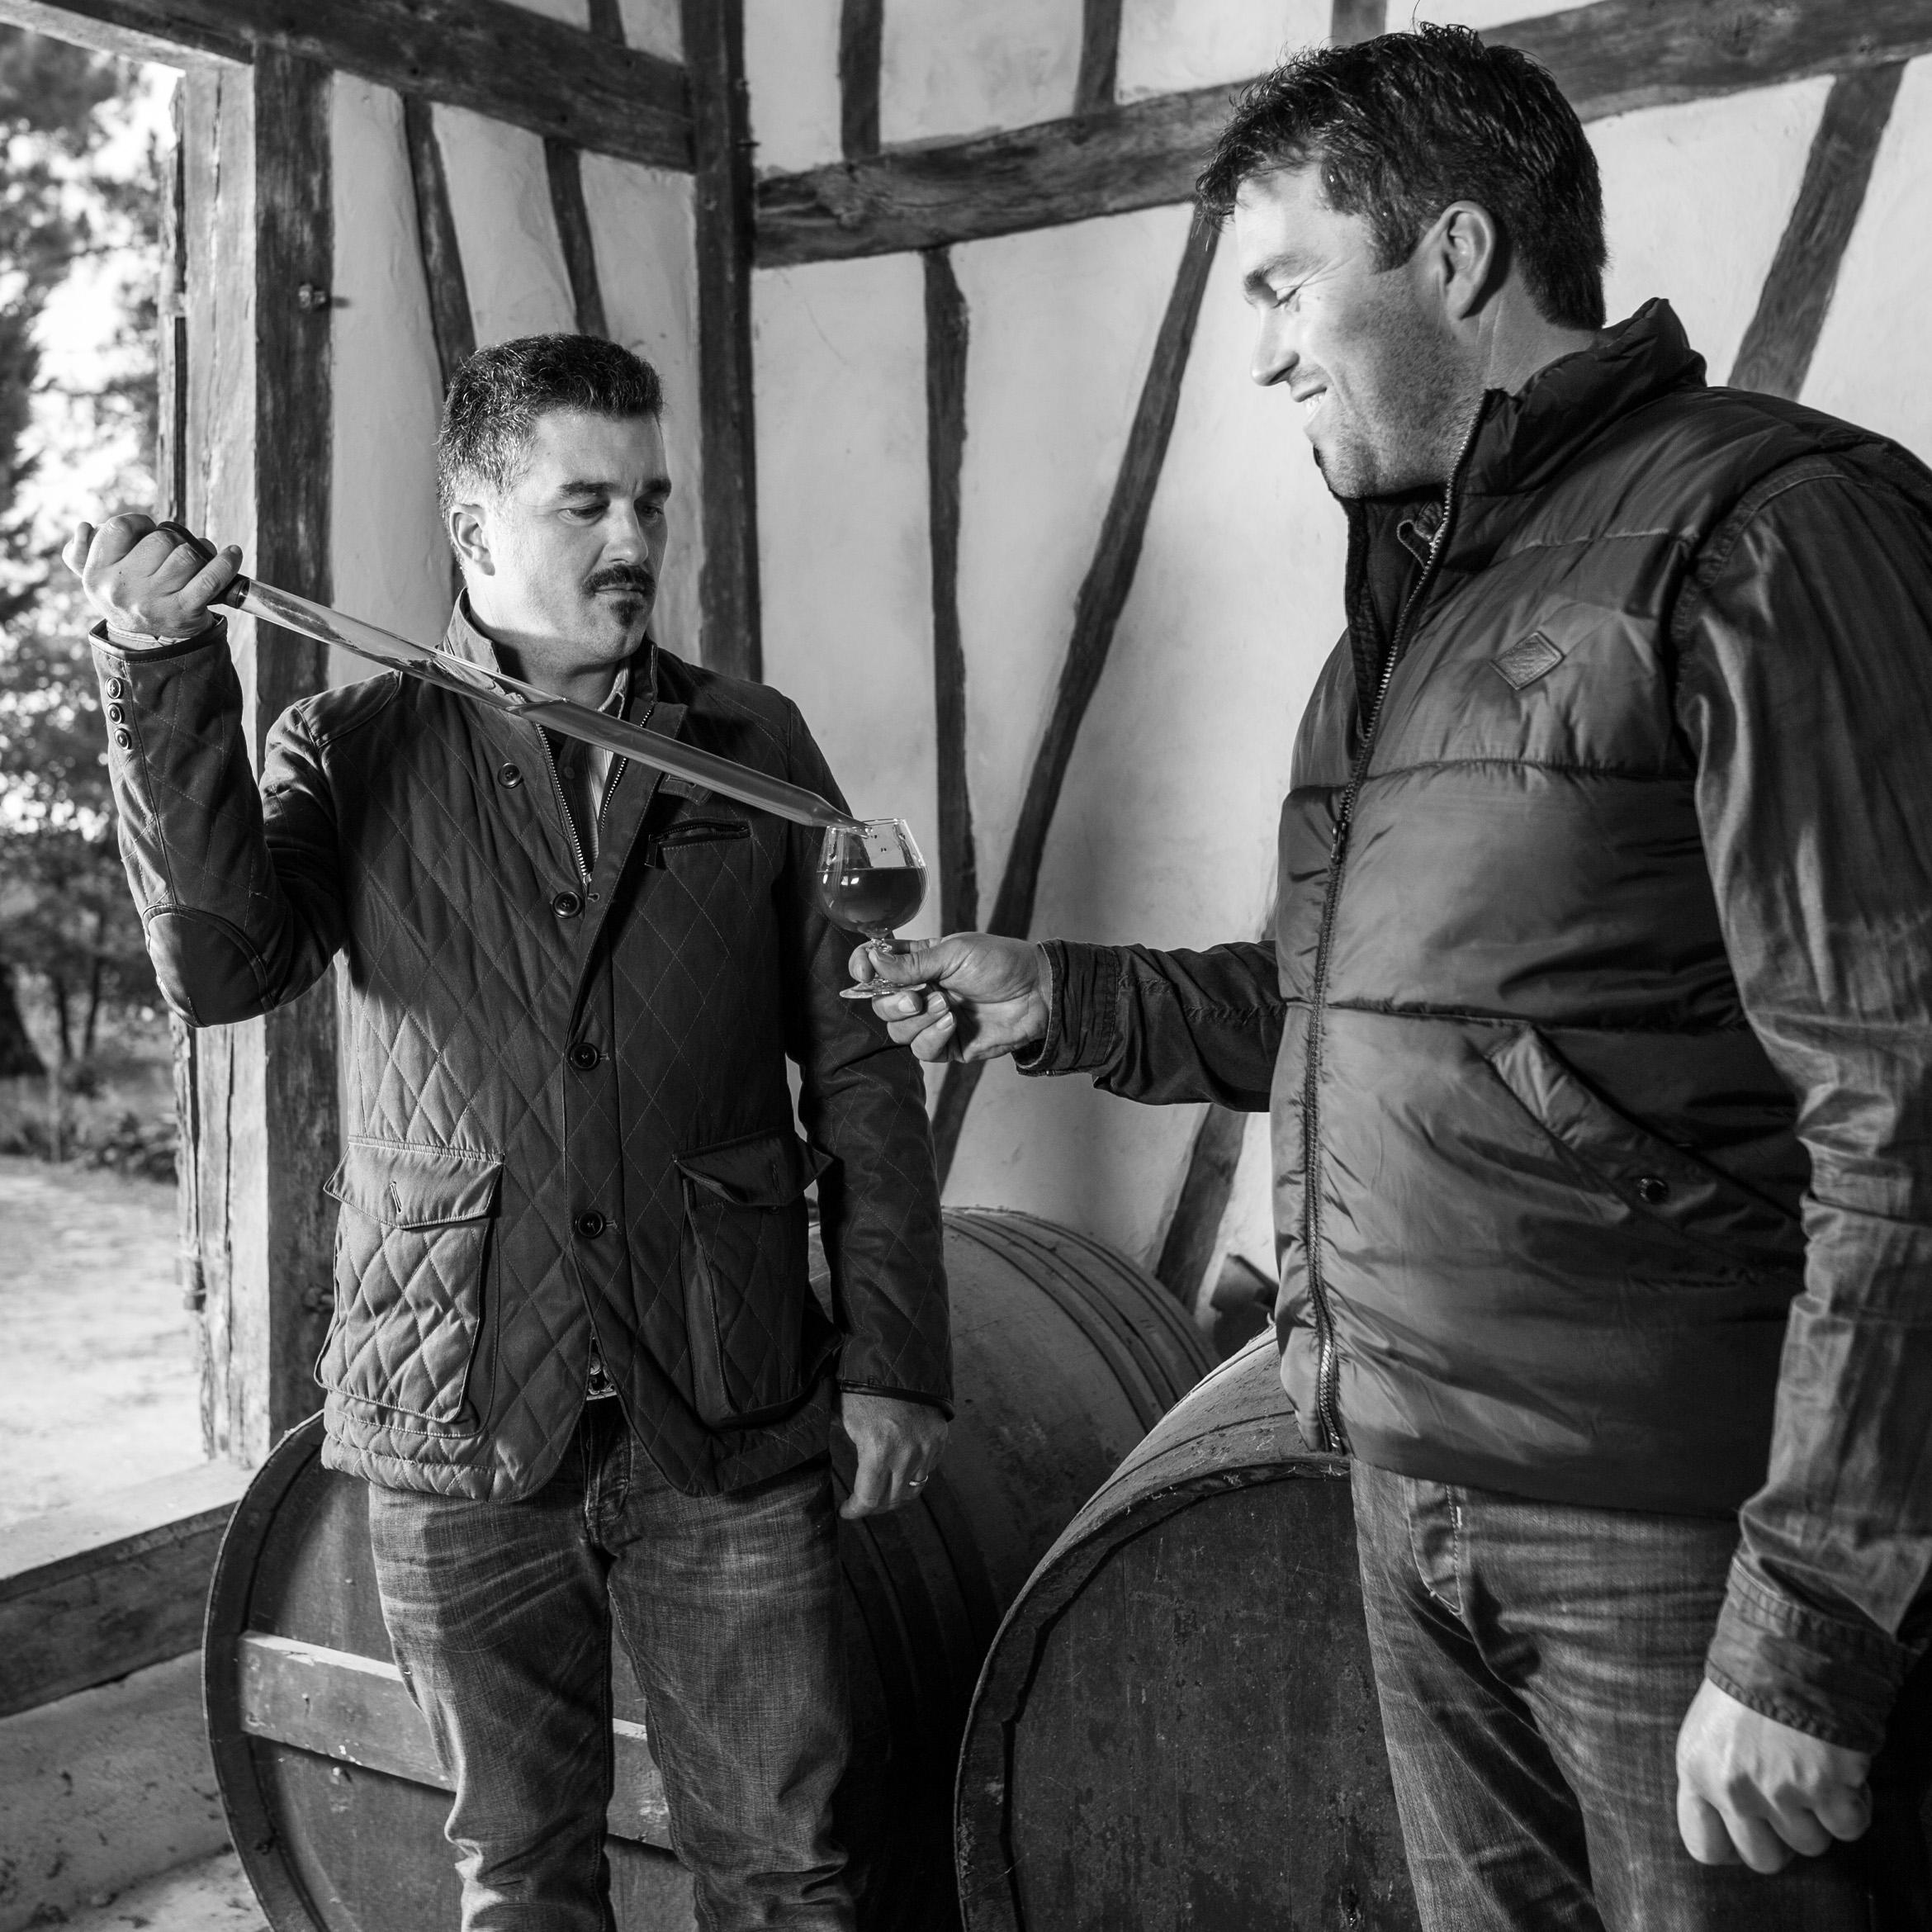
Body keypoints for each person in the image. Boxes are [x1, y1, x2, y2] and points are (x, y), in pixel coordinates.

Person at [864, 26, 1932, 1932]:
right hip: (1392, 1494)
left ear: (1454, 254)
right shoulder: (1405, 623)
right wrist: (1052, 994)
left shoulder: (1762, 529)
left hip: (1669, 1534)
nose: (1266, 354)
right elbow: (1350, 1020)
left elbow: (1904, 1090)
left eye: (1286, 286)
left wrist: (1815, 1613)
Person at [67, 334, 950, 1932]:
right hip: (455, 1403)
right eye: (585, 504)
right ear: (475, 528)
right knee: (518, 1879)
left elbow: (862, 1070)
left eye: (650, 501)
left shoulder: (755, 745)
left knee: (790, 1872)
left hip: (730, 1401)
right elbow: (221, 969)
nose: (634, 539)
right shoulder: (348, 745)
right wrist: (160, 668)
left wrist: (894, 1357)